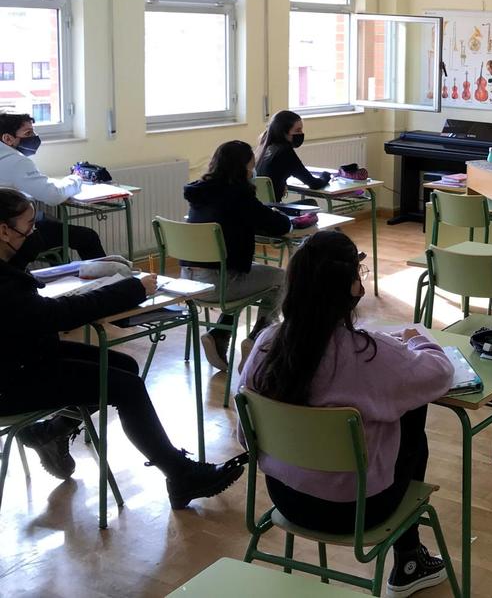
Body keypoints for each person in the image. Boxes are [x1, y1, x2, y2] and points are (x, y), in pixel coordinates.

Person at [241, 230, 454, 597]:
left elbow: (247, 437)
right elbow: (441, 373)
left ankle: (410, 558)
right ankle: (409, 557)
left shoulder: (265, 345)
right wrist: (416, 338)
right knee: (412, 405)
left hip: (285, 497)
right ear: (354, 287)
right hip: (359, 510)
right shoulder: (372, 355)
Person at [0, 187, 244, 506]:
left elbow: (29, 255)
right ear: (4, 231)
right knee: (125, 386)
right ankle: (179, 474)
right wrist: (131, 289)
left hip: (21, 357)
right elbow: (59, 316)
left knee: (125, 367)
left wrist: (82, 250)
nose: (34, 231)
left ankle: (53, 430)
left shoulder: (6, 256)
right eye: (28, 225)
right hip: (11, 382)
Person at [182, 140, 291, 372]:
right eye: (251, 168)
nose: (252, 173)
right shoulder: (238, 196)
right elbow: (280, 225)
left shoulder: (198, 192)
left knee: (243, 271)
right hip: (219, 282)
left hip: (188, 280)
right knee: (281, 278)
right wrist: (271, 213)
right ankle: (258, 338)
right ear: (242, 168)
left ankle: (220, 334)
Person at [0, 112, 105, 265]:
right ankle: (109, 280)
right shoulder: (16, 162)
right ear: (8, 138)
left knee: (51, 223)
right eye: (28, 133)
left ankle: (64, 271)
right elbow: (53, 196)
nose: (34, 137)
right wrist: (76, 179)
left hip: (6, 228)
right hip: (12, 233)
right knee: (87, 236)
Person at [254, 110, 331, 202]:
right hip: (273, 210)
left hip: (259, 208)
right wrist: (326, 176)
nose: (301, 133)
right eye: (298, 130)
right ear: (283, 132)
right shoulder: (285, 152)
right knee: (311, 203)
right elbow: (314, 184)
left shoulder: (265, 148)